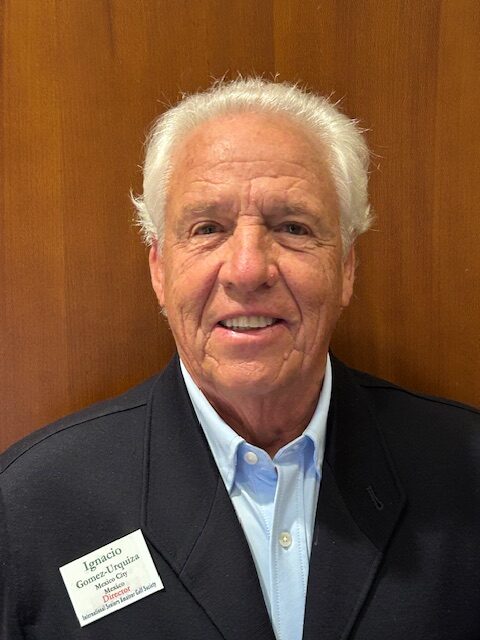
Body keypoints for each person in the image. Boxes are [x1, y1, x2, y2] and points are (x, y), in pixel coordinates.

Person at [1, 78, 479, 640]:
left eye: (293, 228)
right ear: (159, 270)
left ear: (347, 268)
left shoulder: (466, 470)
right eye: (208, 229)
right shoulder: (30, 505)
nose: (248, 271)